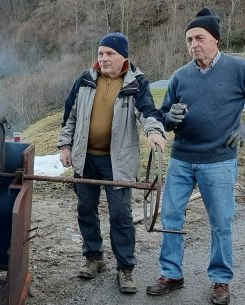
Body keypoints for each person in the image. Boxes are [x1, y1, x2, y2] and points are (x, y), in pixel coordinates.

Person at [145, 8, 245, 305]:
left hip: (220, 161)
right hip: (181, 159)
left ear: (215, 40)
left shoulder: (238, 69)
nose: (194, 44)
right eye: (189, 39)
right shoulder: (180, 76)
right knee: (171, 216)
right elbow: (163, 117)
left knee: (220, 222)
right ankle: (171, 274)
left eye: (200, 37)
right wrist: (169, 118)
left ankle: (220, 280)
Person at [57, 32, 167, 294]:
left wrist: (154, 131)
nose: (103, 58)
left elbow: (148, 112)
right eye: (100, 53)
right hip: (86, 160)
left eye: (110, 54)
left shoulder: (136, 83)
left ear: (123, 57)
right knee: (85, 209)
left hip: (117, 162)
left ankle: (125, 268)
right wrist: (64, 145)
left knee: (120, 214)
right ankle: (94, 258)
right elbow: (69, 116)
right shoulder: (84, 80)